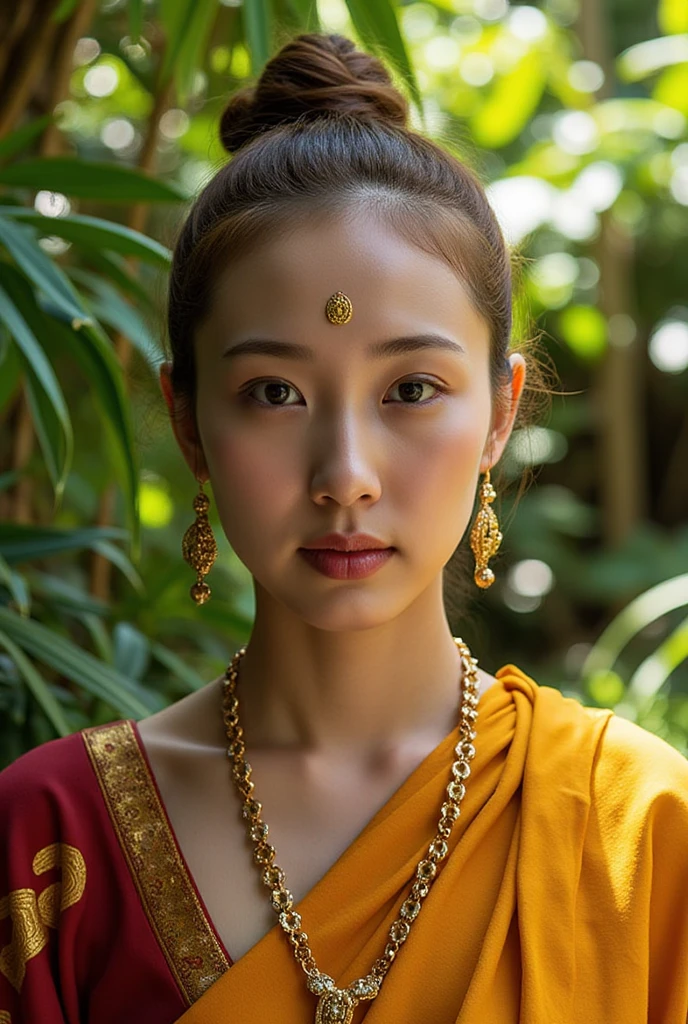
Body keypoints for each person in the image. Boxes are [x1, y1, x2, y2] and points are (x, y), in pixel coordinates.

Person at [1, 29, 687, 1024]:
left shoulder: (639, 832)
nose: (346, 476)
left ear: (499, 412)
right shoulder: (51, 843)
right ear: (190, 420)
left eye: (411, 388)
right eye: (274, 392)